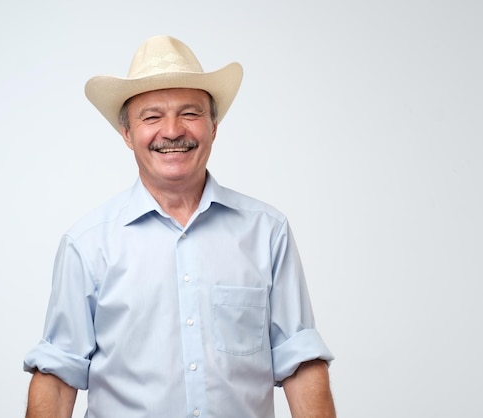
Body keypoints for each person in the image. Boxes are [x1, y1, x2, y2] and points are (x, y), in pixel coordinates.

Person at [23, 35, 336, 418]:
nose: (172, 131)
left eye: (189, 113)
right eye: (151, 116)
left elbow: (300, 361)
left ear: (213, 127)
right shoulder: (87, 245)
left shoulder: (267, 231)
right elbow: (57, 376)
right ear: (127, 134)